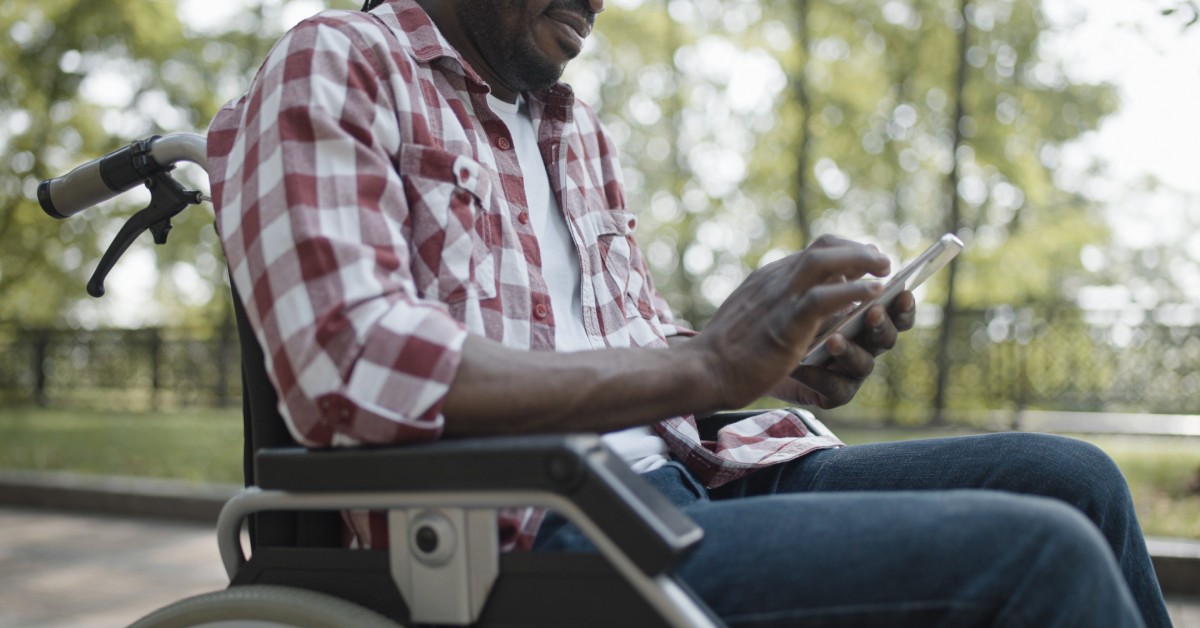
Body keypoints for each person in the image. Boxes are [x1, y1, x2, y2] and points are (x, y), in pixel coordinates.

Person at [206, 0, 1171, 625]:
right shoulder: (336, 62)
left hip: (696, 479)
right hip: (523, 536)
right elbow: (353, 365)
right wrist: (707, 365)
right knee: (1035, 555)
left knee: (1069, 479)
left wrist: (775, 367)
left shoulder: (571, 128)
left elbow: (633, 355)